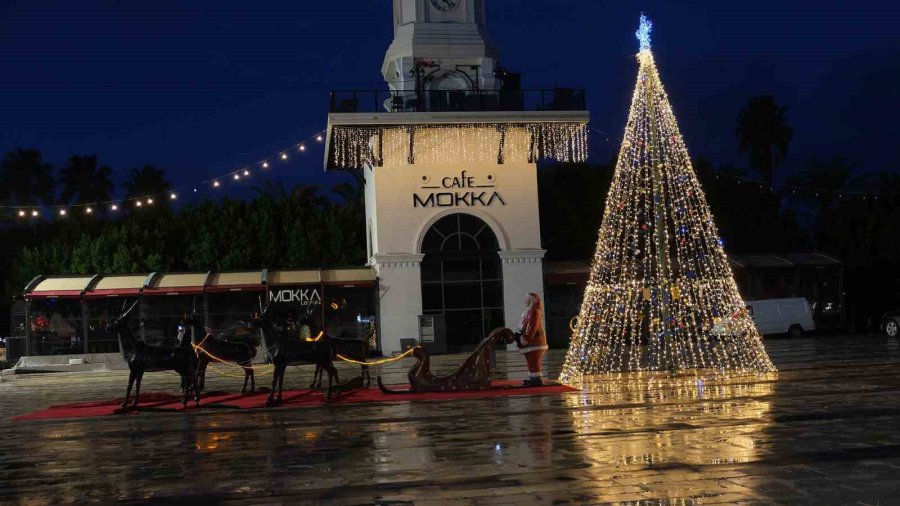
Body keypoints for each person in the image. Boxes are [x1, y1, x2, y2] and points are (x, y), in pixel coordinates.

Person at [515, 293, 548, 386]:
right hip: (531, 343)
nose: (525, 300)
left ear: (531, 301)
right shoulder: (529, 312)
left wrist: (525, 338)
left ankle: (536, 379)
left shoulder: (534, 312)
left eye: (527, 299)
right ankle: (533, 378)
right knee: (531, 361)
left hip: (535, 342)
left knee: (534, 361)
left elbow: (532, 328)